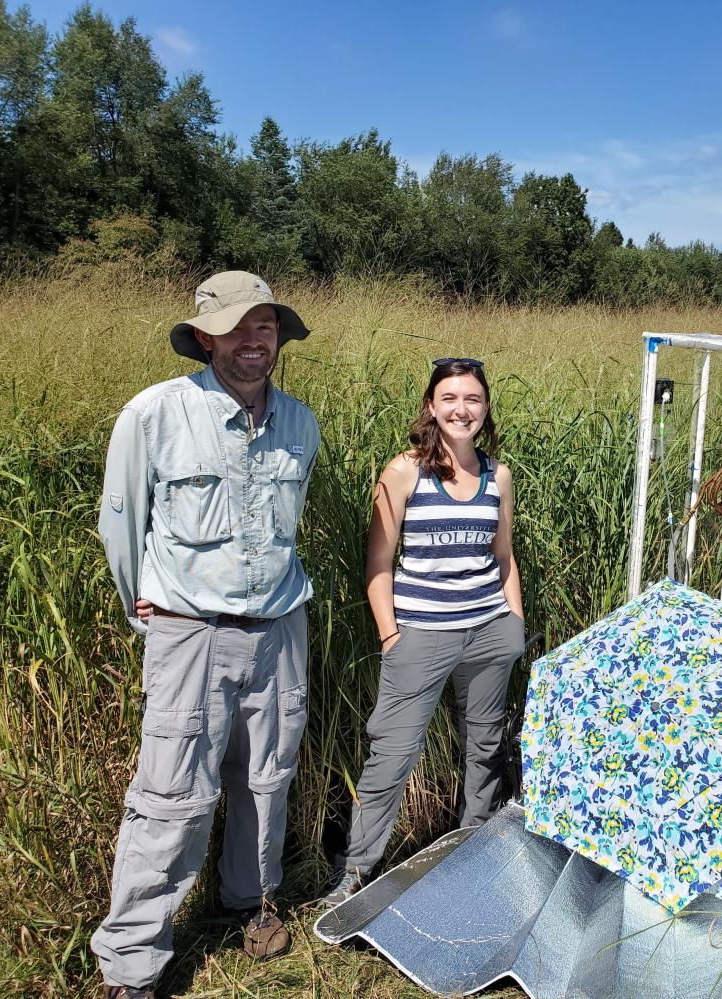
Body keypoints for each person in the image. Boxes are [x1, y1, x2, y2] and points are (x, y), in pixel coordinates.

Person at [92, 271, 321, 999]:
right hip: (190, 630)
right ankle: (133, 963)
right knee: (171, 795)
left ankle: (249, 903)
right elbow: (121, 525)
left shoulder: (301, 423)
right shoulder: (155, 413)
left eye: (266, 327)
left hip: (281, 627)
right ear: (204, 336)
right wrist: (148, 607)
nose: (254, 342)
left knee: (268, 776)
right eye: (238, 327)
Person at [323, 357, 526, 905]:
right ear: (431, 407)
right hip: (420, 634)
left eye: (473, 400)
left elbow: (503, 558)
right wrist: (392, 635)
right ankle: (355, 873)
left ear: (485, 409)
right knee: (392, 752)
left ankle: (474, 846)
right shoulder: (403, 471)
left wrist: (515, 624)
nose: (462, 410)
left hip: (490, 633)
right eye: (450, 399)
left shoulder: (497, 476)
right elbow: (379, 565)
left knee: (483, 749)